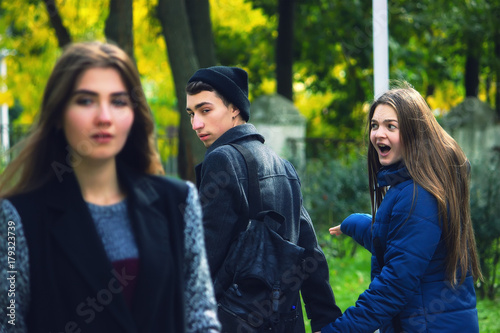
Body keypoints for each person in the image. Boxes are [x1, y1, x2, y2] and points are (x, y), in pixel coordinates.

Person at [0, 41, 220, 333]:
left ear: (133, 113)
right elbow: (10, 323)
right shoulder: (16, 219)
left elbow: (200, 318)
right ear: (57, 115)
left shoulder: (177, 202)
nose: (104, 117)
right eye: (86, 100)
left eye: (118, 101)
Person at [185, 66, 342, 333]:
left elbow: (205, 258)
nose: (196, 123)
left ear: (234, 108)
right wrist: (324, 318)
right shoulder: (283, 165)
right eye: (191, 114)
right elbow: (310, 251)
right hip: (285, 322)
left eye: (205, 110)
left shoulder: (222, 159)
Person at [323, 84, 482, 332]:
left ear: (414, 132)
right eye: (374, 125)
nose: (378, 134)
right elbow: (400, 241)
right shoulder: (415, 185)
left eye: (391, 126)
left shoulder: (418, 194)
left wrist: (340, 330)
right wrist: (352, 223)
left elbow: (394, 284)